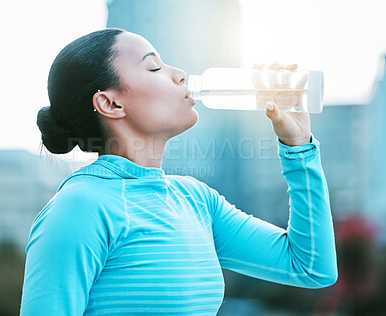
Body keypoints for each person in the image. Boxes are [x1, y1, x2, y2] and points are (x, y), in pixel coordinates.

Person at [19, 28, 338, 315]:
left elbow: (311, 267)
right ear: (111, 104)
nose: (181, 74)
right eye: (154, 66)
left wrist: (299, 147)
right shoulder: (79, 208)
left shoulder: (196, 200)